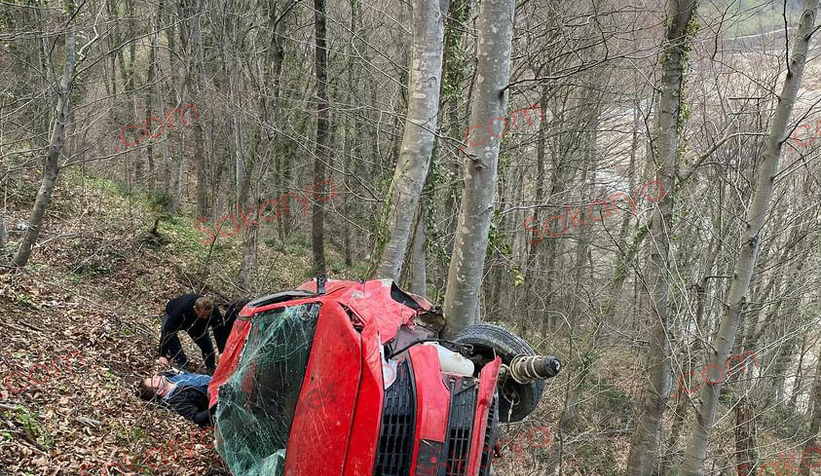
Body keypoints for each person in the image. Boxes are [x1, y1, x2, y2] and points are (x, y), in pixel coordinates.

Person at [159, 295, 246, 373]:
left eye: (207, 315)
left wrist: (222, 351)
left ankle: (210, 367)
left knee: (206, 344)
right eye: (203, 315)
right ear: (195, 309)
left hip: (197, 324)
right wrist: (162, 354)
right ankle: (181, 362)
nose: (206, 317)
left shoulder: (213, 311)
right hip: (175, 316)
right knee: (171, 337)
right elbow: (168, 331)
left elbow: (219, 331)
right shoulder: (180, 309)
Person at [138, 371, 213, 428]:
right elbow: (197, 418)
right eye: (154, 381)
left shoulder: (168, 377)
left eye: (152, 377)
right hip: (218, 393)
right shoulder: (176, 400)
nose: (155, 376)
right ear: (159, 391)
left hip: (216, 377)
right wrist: (215, 407)